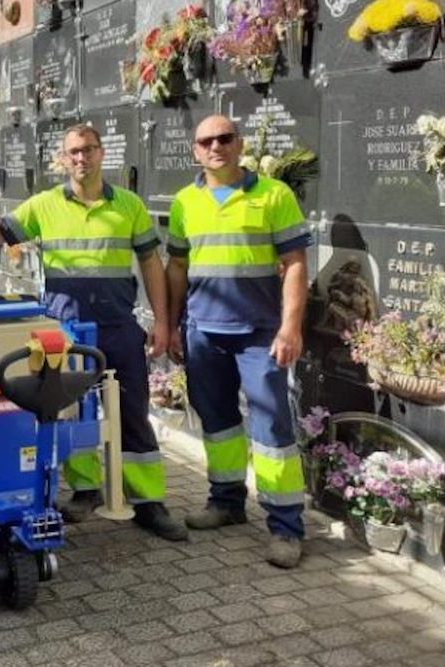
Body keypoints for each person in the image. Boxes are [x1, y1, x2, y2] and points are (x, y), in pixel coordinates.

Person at [0, 123, 187, 541]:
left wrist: (161, 321)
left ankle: (148, 502)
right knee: (71, 411)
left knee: (132, 413)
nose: (81, 158)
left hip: (119, 328)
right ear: (63, 159)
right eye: (73, 152)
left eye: (88, 149)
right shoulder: (44, 205)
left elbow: (151, 264)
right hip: (65, 329)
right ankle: (85, 490)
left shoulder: (130, 206)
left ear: (102, 153)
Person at [165, 114, 311, 568]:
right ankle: (226, 503)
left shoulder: (273, 194)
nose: (216, 147)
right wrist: (170, 325)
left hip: (259, 335)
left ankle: (285, 526)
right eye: (206, 141)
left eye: (225, 138)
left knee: (271, 431)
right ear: (195, 150)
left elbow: (295, 264)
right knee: (218, 422)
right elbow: (176, 269)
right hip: (203, 332)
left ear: (239, 143)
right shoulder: (185, 202)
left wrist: (290, 327)